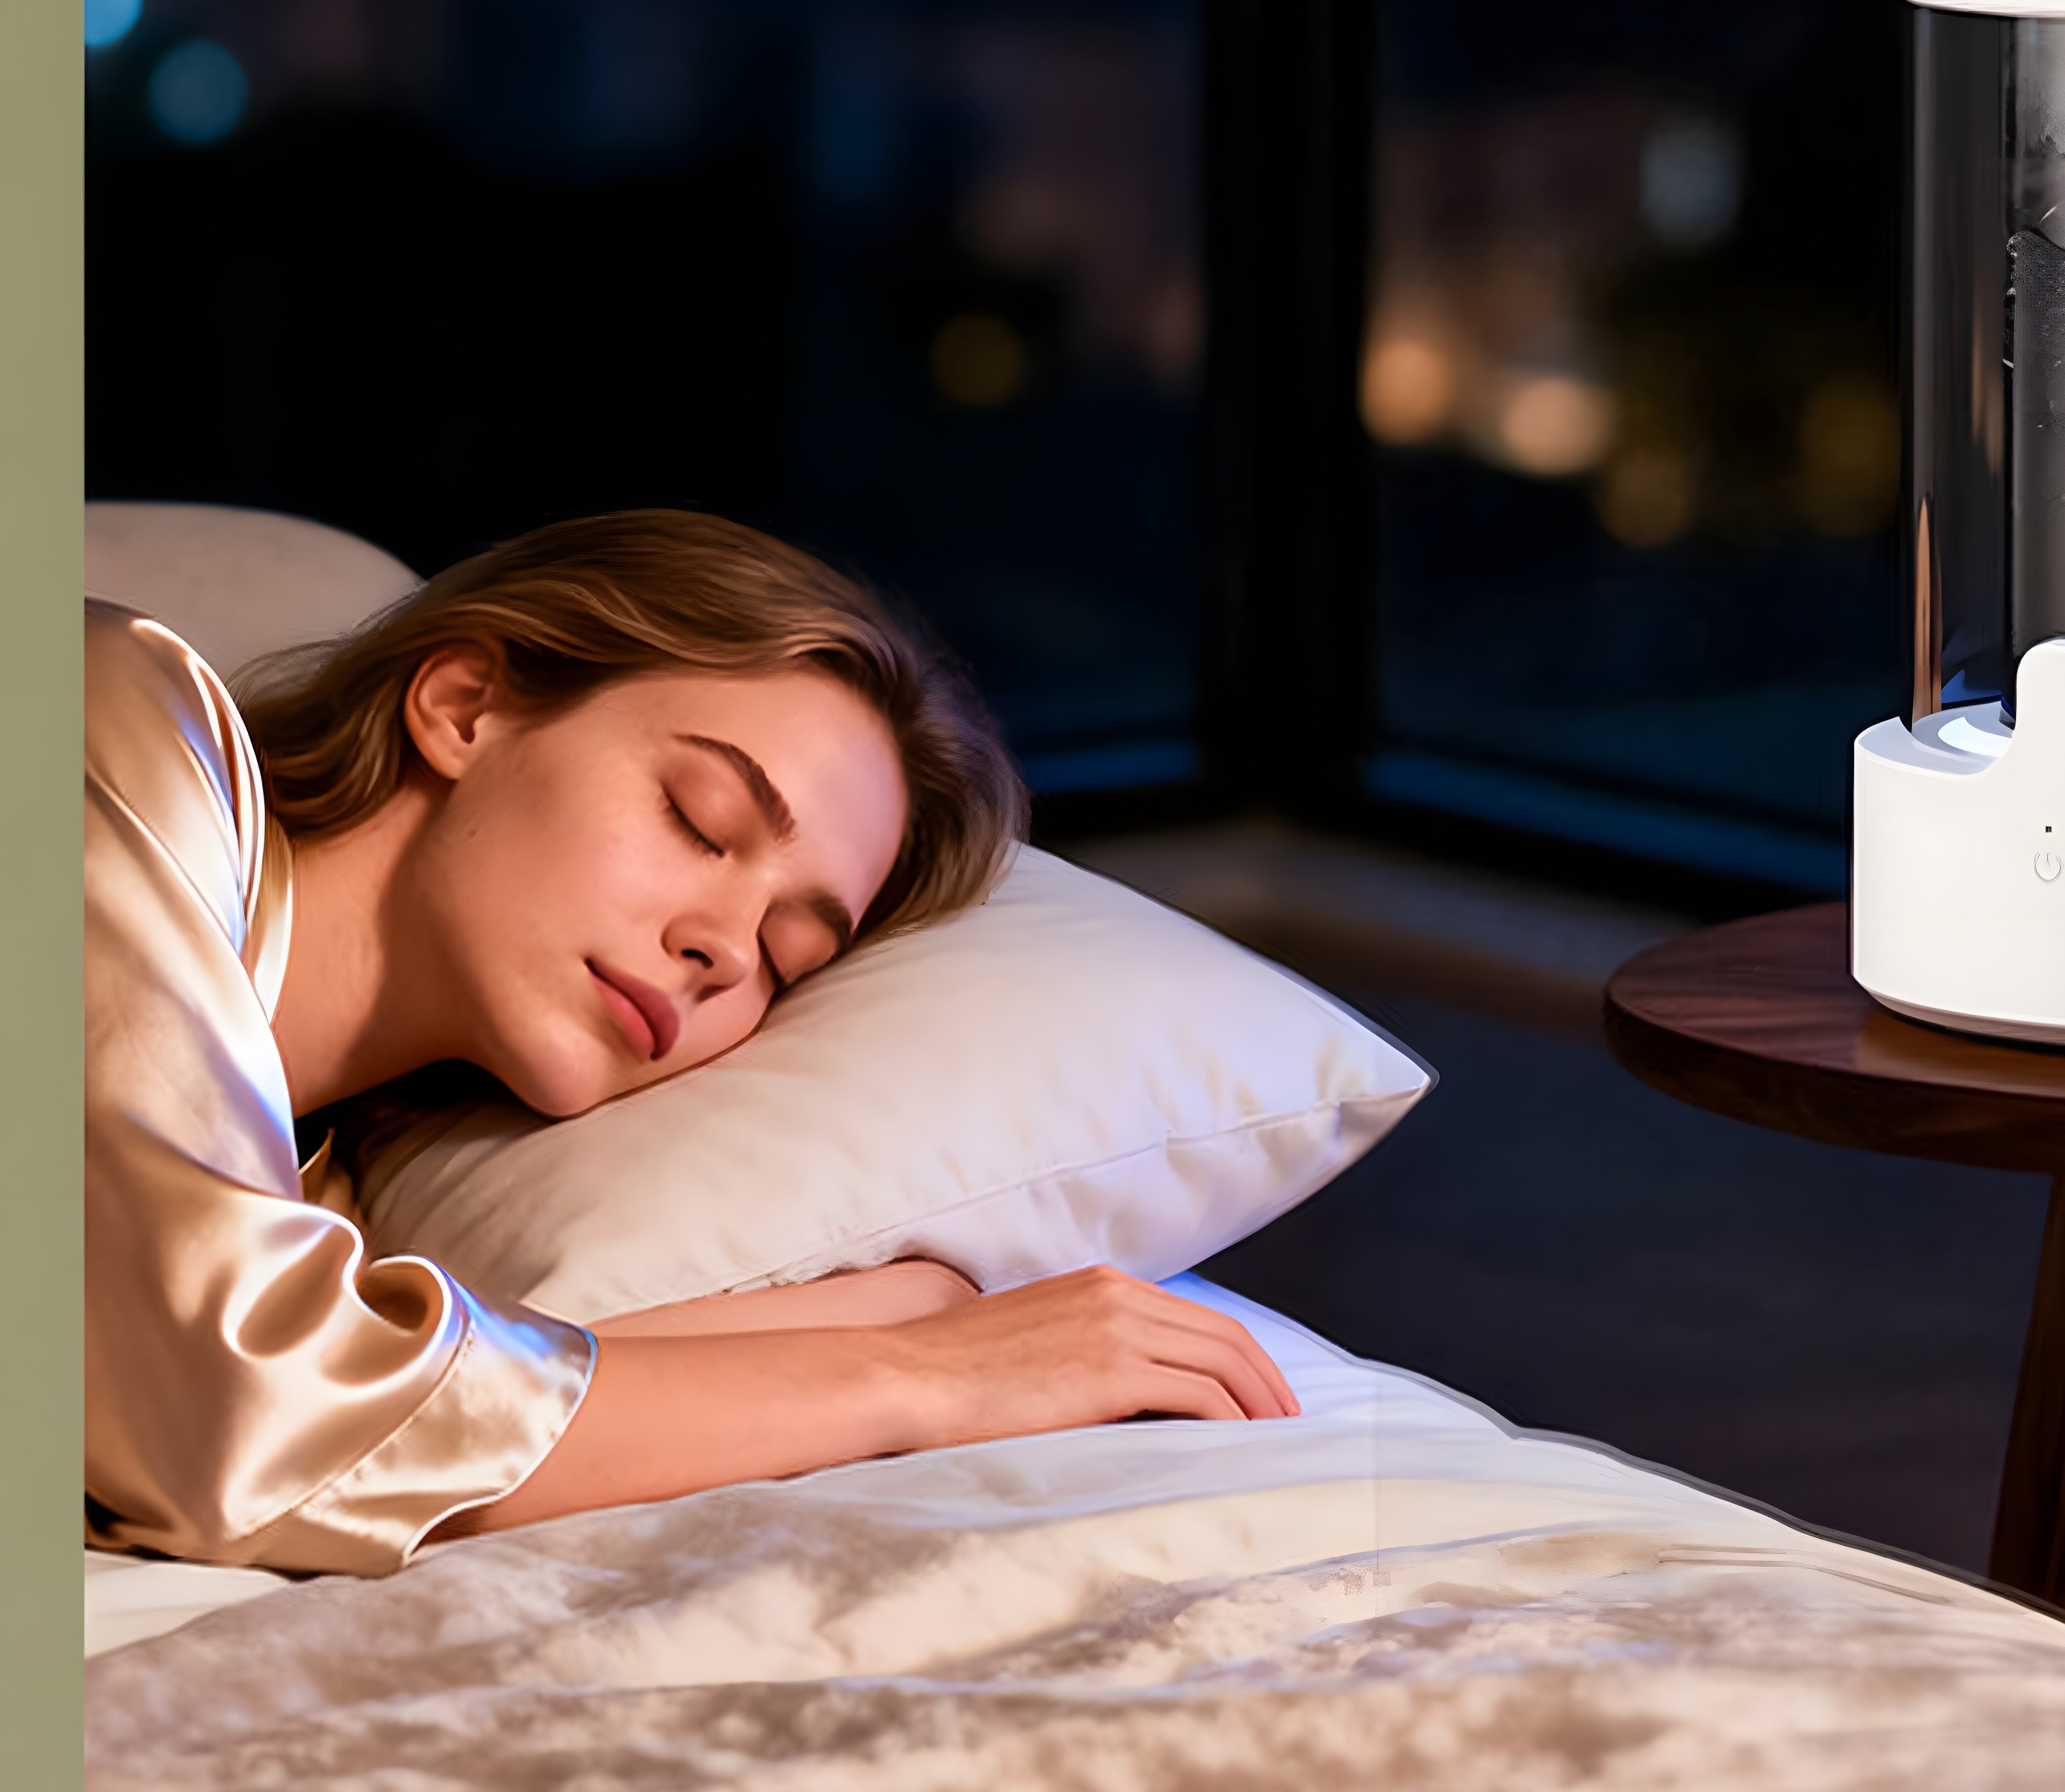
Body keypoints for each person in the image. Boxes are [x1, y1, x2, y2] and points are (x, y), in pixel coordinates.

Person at [84, 508, 1293, 1575]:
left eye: (790, 951)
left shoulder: (314, 1190)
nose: (726, 949)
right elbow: (248, 1404)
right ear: (464, 705)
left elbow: (416, 1384)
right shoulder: (108, 723)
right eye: (698, 820)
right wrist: (926, 1378)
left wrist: (903, 1314)